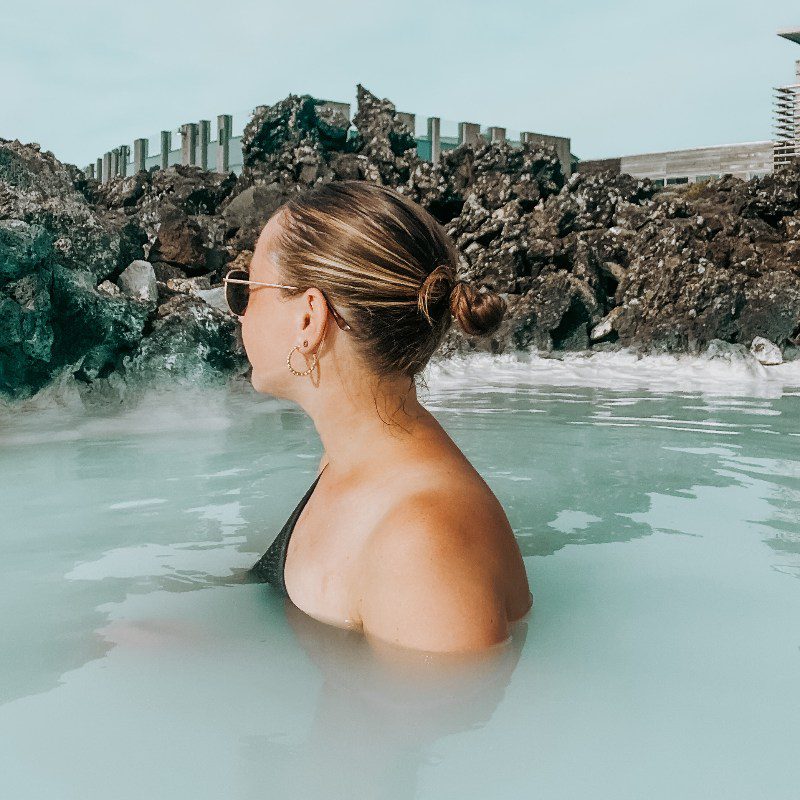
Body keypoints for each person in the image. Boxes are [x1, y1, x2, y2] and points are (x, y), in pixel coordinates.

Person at [224, 179, 533, 654]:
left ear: (309, 319)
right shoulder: (347, 460)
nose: (239, 314)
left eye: (246, 289)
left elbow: (445, 716)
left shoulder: (421, 545)